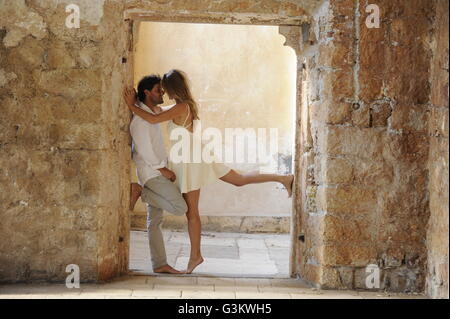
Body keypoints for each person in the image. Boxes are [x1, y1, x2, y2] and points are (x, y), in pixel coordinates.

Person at [123, 69, 294, 274]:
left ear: (173, 88)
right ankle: (282, 178)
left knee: (193, 212)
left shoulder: (181, 107)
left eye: (165, 89)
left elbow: (152, 119)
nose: (164, 93)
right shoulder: (181, 106)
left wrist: (131, 105)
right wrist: (137, 106)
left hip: (190, 162)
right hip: (193, 157)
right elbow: (154, 114)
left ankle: (196, 255)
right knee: (236, 181)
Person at [126, 75, 188, 274]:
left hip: (153, 172)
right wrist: (164, 169)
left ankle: (160, 264)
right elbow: (144, 150)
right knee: (180, 207)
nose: (162, 93)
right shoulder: (140, 122)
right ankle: (140, 192)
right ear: (147, 93)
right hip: (152, 174)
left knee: (154, 222)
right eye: (158, 90)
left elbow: (165, 111)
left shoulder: (151, 113)